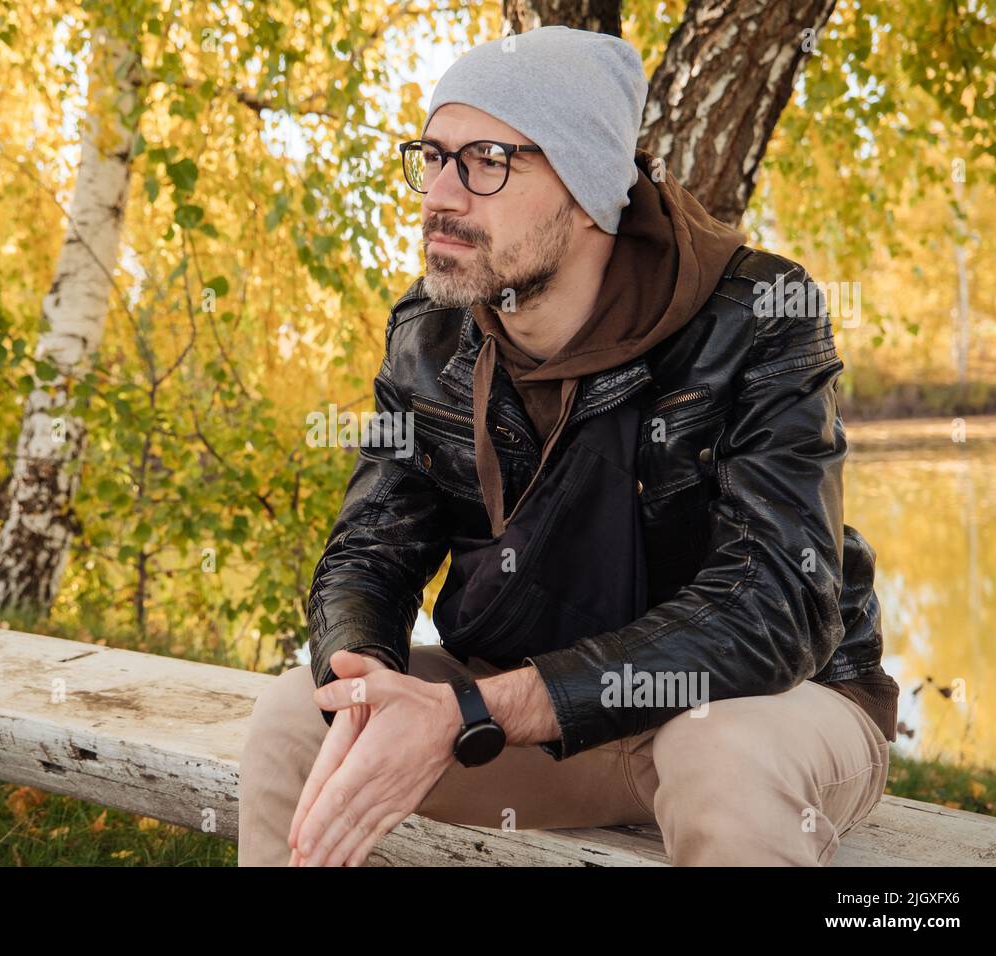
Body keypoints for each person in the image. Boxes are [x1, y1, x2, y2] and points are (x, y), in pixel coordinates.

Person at [238, 24, 899, 867]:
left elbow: (774, 607)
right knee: (301, 713)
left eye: (485, 159)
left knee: (716, 755)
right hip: (535, 721)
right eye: (432, 156)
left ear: (587, 188)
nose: (441, 192)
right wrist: (365, 681)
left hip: (762, 708)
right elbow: (370, 551)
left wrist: (479, 711)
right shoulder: (430, 333)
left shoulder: (759, 313)